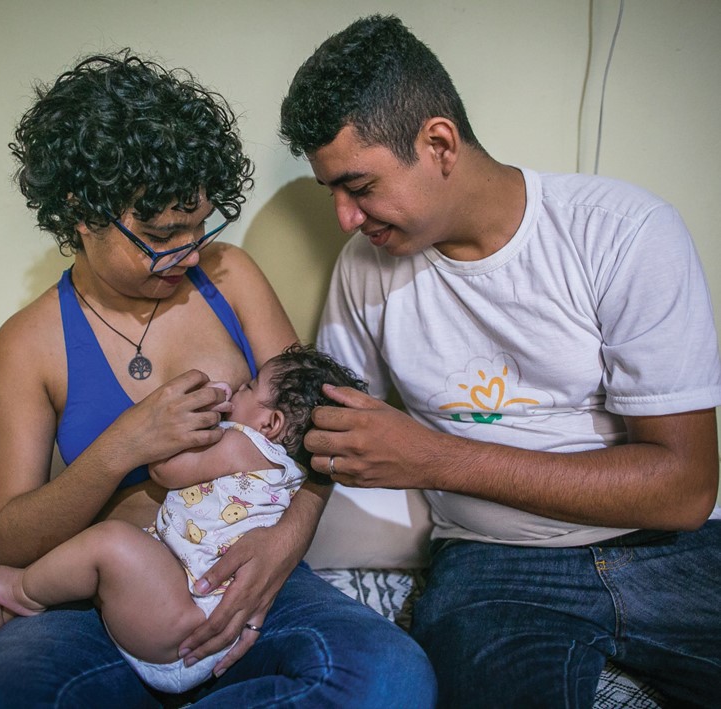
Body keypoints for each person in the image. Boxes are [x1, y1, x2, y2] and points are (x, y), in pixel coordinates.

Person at [0, 50, 436, 708]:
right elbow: (8, 537)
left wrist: (281, 545)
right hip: (103, 598)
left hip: (249, 573)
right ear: (82, 213)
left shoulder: (230, 278)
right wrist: (126, 442)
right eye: (164, 234)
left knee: (391, 679)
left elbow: (326, 426)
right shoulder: (29, 344)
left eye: (201, 224)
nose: (191, 252)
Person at [279, 14, 721, 709]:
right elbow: (322, 439)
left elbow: (685, 487)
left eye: (359, 186)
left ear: (439, 143)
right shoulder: (366, 269)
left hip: (670, 551)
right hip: (496, 568)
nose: (345, 217)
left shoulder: (623, 233)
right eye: (331, 192)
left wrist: (435, 458)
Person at [0, 344, 369, 694]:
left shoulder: (243, 443)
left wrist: (182, 424)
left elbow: (166, 471)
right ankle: (9, 616)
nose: (238, 390)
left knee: (111, 543)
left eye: (248, 387)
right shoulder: (283, 468)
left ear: (271, 422)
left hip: (187, 617)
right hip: (196, 613)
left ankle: (22, 593)